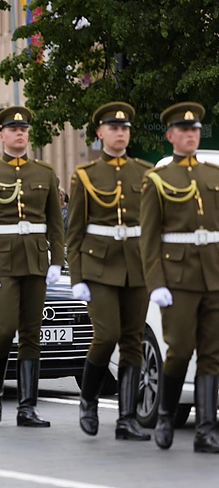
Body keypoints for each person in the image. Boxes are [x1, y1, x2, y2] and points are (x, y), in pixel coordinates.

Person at [0, 106, 65, 427]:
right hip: (3, 263)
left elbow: (55, 223)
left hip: (36, 260)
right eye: (13, 129)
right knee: (5, 329)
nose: (19, 133)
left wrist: (58, 261)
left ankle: (27, 408)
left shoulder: (44, 173)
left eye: (23, 129)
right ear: (2, 135)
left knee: (32, 334)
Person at [67, 102, 152, 441]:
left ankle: (126, 418)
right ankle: (88, 401)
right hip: (99, 267)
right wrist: (76, 278)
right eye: (114, 128)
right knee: (107, 335)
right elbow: (74, 231)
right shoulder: (86, 175)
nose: (120, 133)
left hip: (137, 265)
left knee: (133, 340)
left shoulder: (145, 172)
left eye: (125, 128)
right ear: (100, 133)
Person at [140, 102, 219, 453]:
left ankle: (206, 430)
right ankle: (166, 414)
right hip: (178, 278)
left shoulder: (214, 176)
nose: (191, 135)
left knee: (212, 354)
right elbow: (148, 238)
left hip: (214, 275)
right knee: (180, 350)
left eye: (195, 130)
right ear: (171, 135)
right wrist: (156, 283)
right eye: (184, 130)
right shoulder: (157, 179)